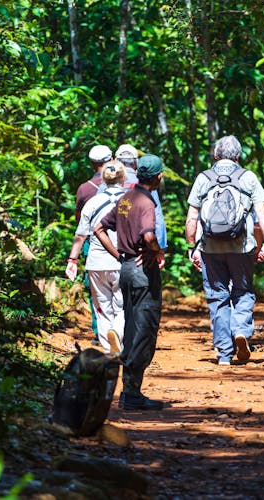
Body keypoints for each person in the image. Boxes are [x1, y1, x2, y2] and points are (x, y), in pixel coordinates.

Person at [185, 135, 264, 366]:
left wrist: (191, 247)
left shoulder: (203, 178)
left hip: (209, 247)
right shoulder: (248, 177)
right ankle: (241, 331)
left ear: (215, 155)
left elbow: (192, 217)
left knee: (217, 296)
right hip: (241, 247)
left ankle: (224, 353)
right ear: (238, 156)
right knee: (243, 292)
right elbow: (260, 214)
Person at [93, 154, 166, 411]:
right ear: (158, 177)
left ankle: (129, 392)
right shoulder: (146, 203)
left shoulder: (125, 198)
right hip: (142, 272)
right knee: (144, 331)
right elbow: (148, 235)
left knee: (133, 326)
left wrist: (119, 255)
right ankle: (132, 393)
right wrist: (156, 251)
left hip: (126, 269)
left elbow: (99, 228)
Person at [65, 161, 127, 356]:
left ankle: (110, 352)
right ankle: (117, 332)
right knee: (123, 304)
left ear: (102, 179)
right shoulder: (128, 200)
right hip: (122, 260)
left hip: (96, 262)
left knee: (101, 307)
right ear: (123, 178)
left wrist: (72, 260)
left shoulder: (92, 202)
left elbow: (80, 235)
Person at [75, 144, 112, 345]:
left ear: (91, 163)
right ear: (111, 159)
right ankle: (118, 328)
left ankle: (100, 332)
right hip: (117, 242)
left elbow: (79, 220)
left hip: (92, 241)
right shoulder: (121, 185)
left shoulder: (84, 188)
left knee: (95, 288)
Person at [114, 144, 167, 266]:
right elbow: (157, 216)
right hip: (139, 253)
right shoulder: (146, 185)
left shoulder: (106, 183)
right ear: (136, 163)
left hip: (109, 251)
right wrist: (160, 250)